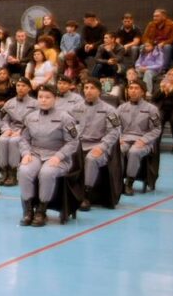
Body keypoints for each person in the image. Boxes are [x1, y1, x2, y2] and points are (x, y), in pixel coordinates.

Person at [17, 85, 79, 227]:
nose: (43, 100)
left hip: (57, 155)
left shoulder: (65, 118)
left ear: (55, 99)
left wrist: (59, 156)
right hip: (35, 153)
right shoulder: (30, 117)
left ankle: (41, 210)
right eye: (40, 97)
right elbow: (23, 139)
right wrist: (26, 153)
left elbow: (73, 142)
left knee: (47, 173)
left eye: (47, 97)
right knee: (24, 170)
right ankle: (28, 210)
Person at [77, 79, 123, 211]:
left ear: (99, 91)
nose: (88, 91)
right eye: (86, 87)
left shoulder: (109, 110)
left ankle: (86, 195)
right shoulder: (76, 108)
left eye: (92, 88)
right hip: (79, 144)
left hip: (98, 145)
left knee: (91, 159)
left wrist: (102, 147)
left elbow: (114, 131)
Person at [117, 79, 162, 195]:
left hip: (143, 140)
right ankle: (117, 182)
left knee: (134, 152)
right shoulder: (121, 108)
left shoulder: (151, 109)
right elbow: (115, 127)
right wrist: (119, 138)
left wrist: (144, 140)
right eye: (131, 88)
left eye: (136, 88)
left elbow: (156, 129)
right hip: (125, 139)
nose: (133, 91)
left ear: (142, 92)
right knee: (118, 150)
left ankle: (129, 183)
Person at [0, 78, 37, 186]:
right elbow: (3, 119)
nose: (20, 88)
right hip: (11, 130)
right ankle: (4, 171)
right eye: (18, 85)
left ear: (29, 88)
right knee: (2, 140)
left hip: (26, 131)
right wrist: (6, 129)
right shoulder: (9, 103)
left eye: (23, 86)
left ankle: (13, 172)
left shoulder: (35, 104)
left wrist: (21, 131)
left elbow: (36, 121)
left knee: (14, 141)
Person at [153, 68, 173, 152]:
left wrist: (171, 90)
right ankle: (156, 144)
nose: (170, 76)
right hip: (163, 108)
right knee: (159, 120)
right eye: (169, 74)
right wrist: (162, 89)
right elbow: (154, 98)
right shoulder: (162, 84)